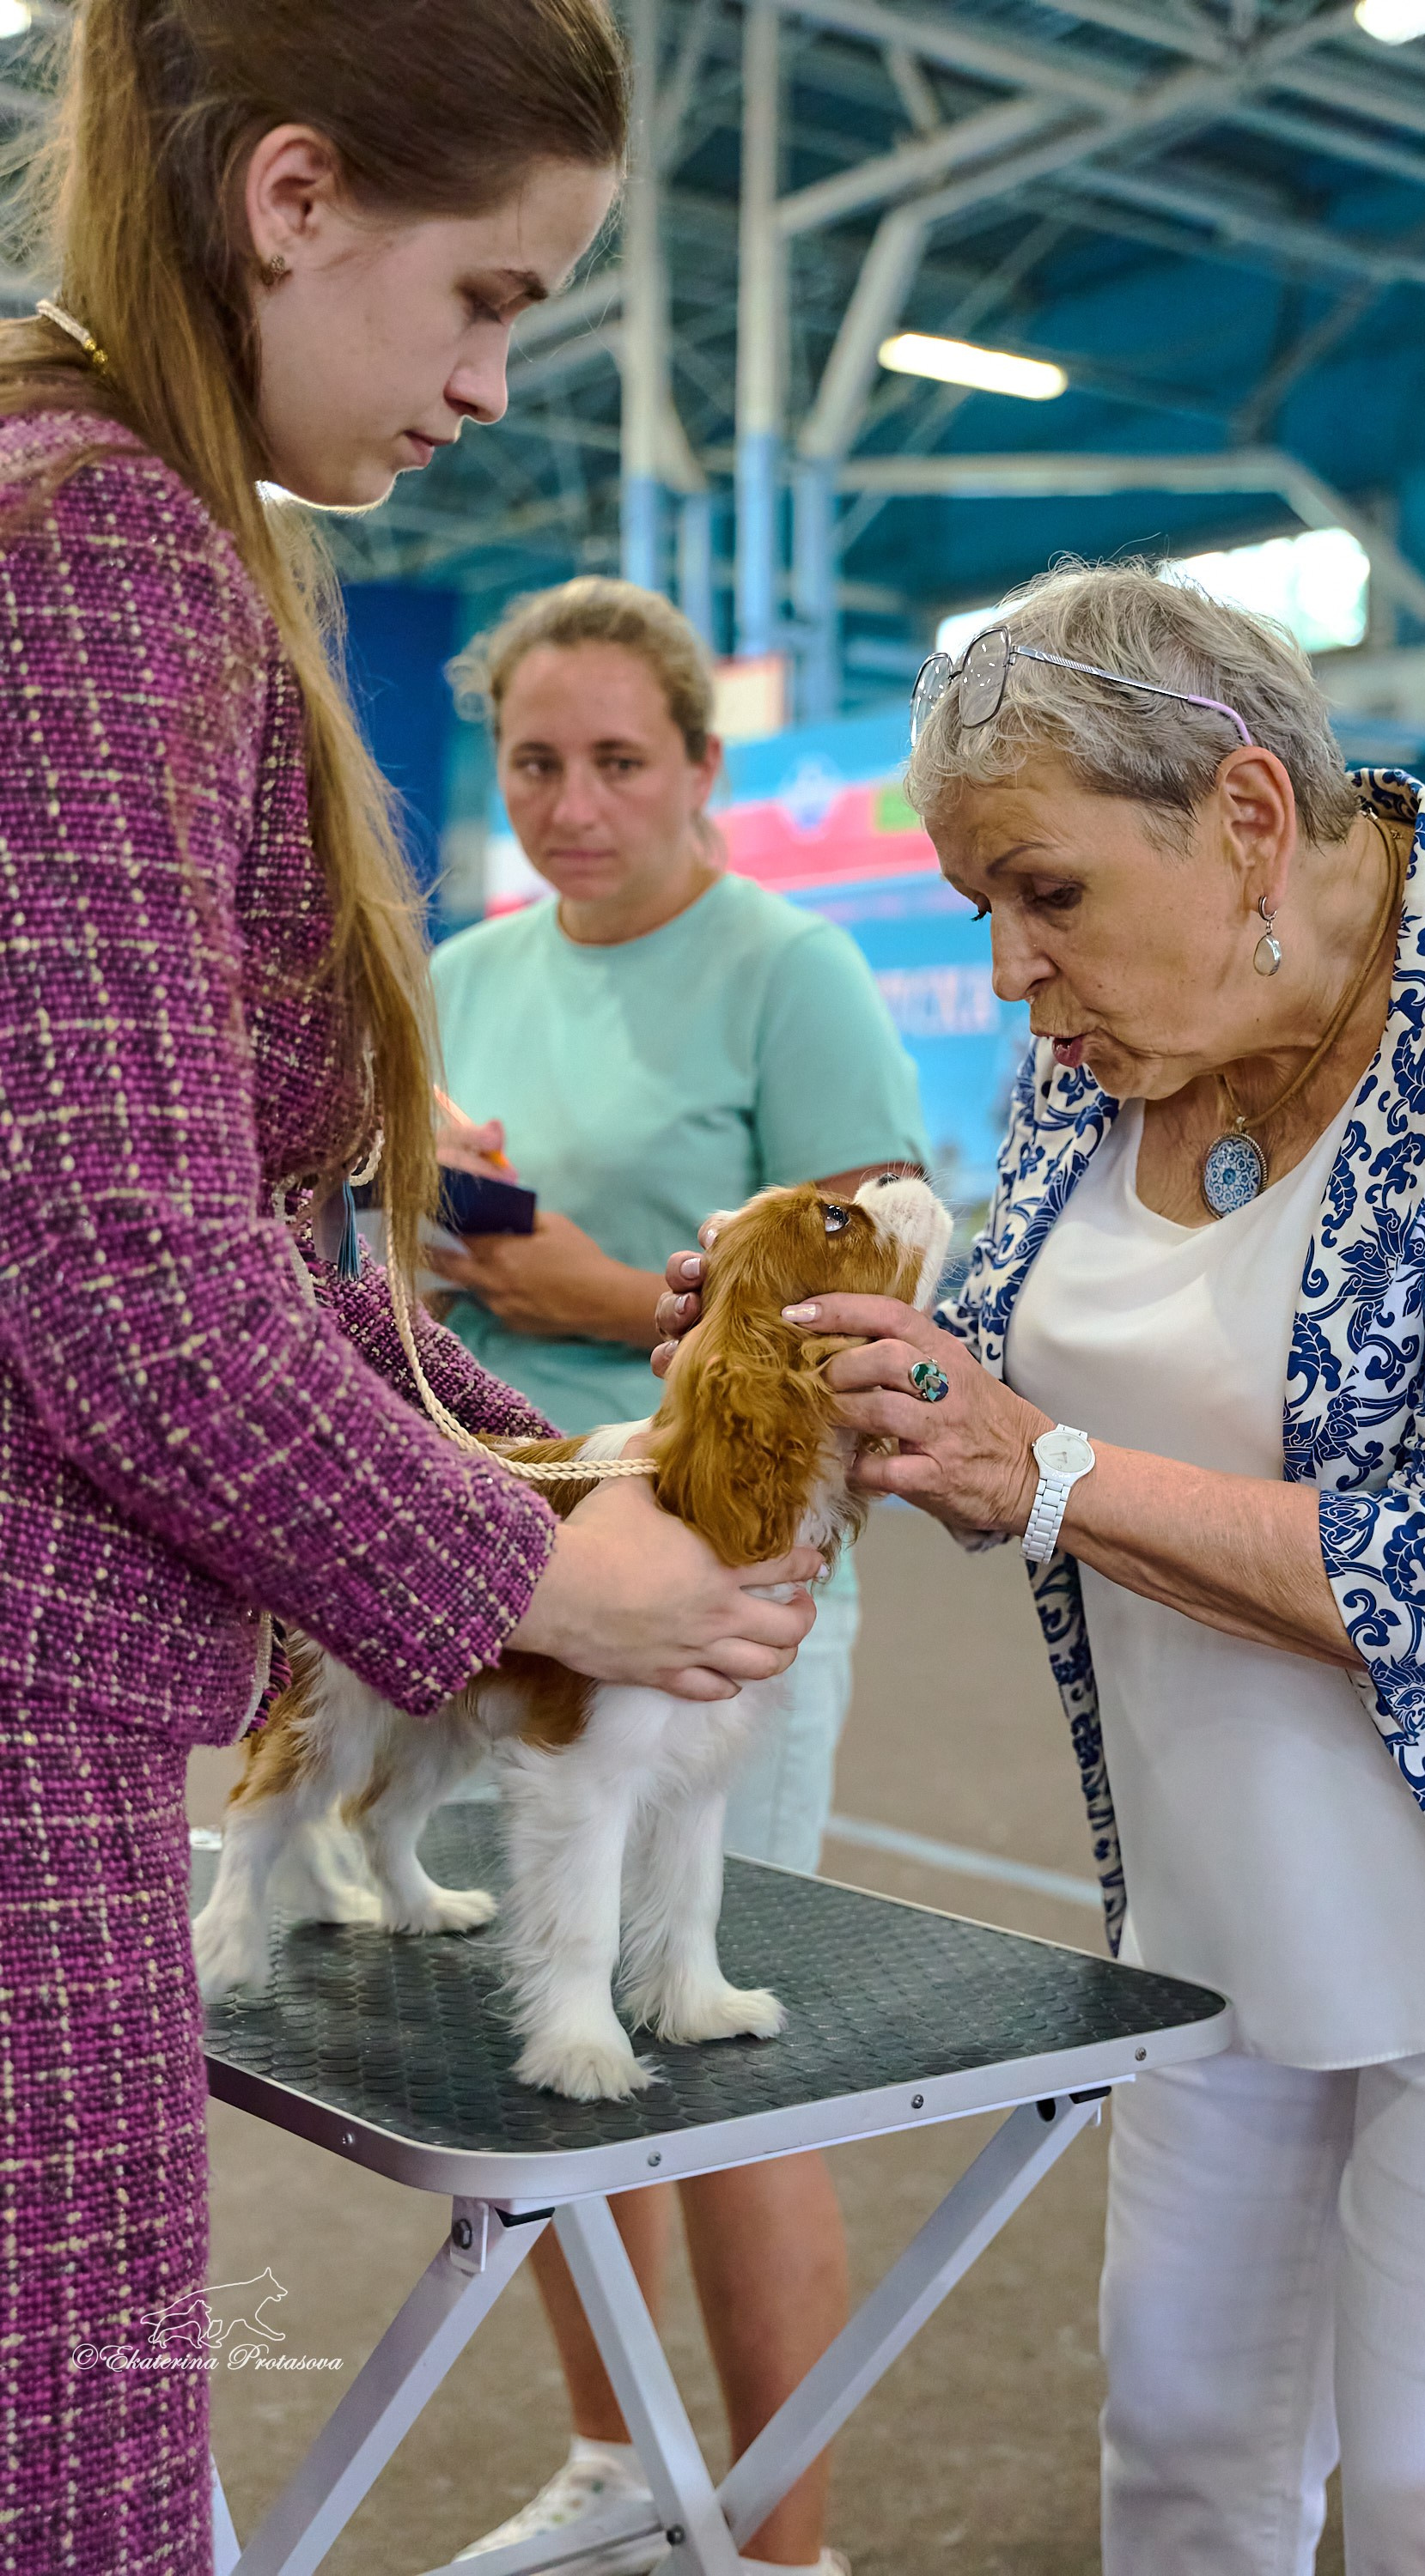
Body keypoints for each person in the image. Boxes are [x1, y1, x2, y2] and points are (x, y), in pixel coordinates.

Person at [659, 562, 1425, 2573]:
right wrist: (833, 1331)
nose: (1003, 974)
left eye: (1041, 896)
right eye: (979, 909)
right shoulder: (1109, 1034)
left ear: (1244, 816)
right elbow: (1035, 1337)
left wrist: (1038, 1469)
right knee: (1182, 2476)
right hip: (1205, 1899)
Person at [0, 11, 827, 2571]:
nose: (490, 383)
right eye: (484, 295)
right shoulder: (102, 542)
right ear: (290, 198)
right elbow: (117, 1259)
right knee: (83, 2486)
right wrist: (551, 1564)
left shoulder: (112, 515)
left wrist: (522, 1452)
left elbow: (248, 1237)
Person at [429, 577, 927, 2574]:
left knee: (728, 2060)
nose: (572, 803)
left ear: (704, 771)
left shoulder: (788, 971)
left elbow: (876, 1298)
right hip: (506, 1560)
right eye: (534, 763)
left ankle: (786, 2539)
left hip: (728, 1570)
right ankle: (621, 2464)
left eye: (618, 761)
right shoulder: (461, 971)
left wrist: (587, 1283)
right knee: (554, 2048)